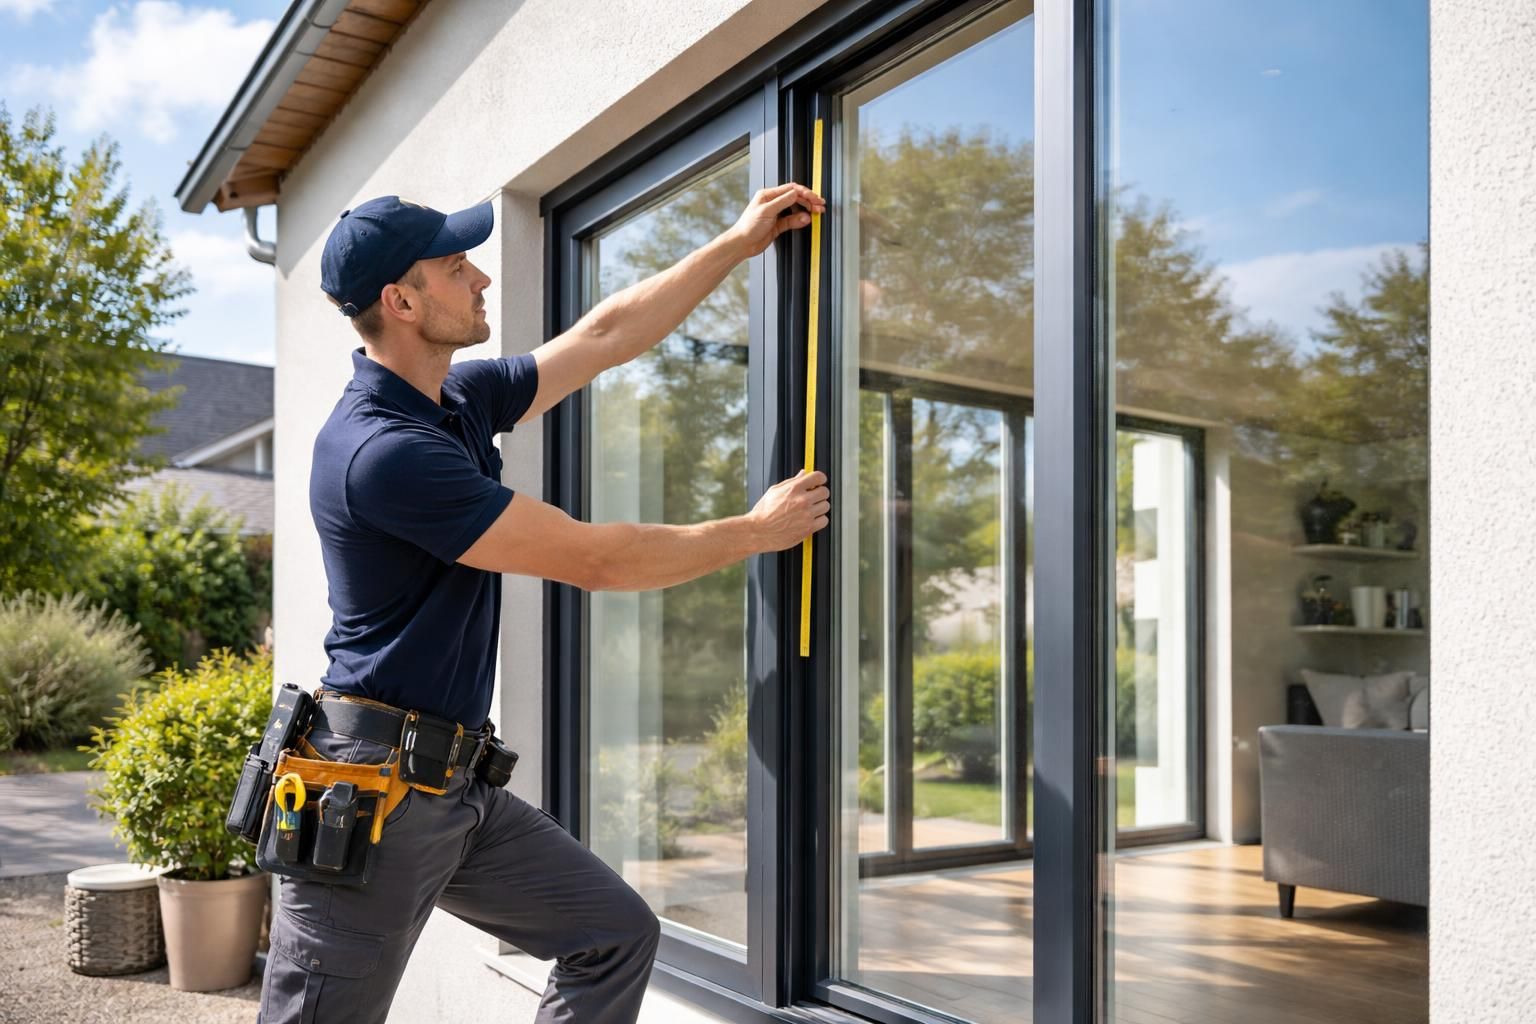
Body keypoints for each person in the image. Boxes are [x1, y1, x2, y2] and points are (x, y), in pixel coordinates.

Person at [257, 184, 828, 1024]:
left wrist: (738, 242)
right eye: (457, 267)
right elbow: (593, 559)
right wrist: (753, 530)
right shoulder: (383, 452)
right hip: (367, 797)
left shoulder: (453, 400)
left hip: (452, 784)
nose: (482, 278)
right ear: (402, 301)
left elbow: (602, 338)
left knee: (611, 934)